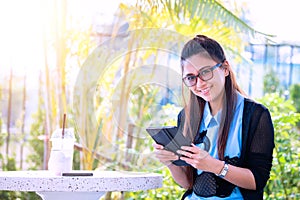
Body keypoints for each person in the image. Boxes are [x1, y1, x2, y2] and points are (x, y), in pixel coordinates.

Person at [153, 35, 274, 199]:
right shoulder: (187, 117)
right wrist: (169, 162)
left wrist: (215, 166)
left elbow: (257, 180)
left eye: (205, 72)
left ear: (225, 68)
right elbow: (189, 183)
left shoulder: (255, 115)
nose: (200, 83)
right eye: (191, 78)